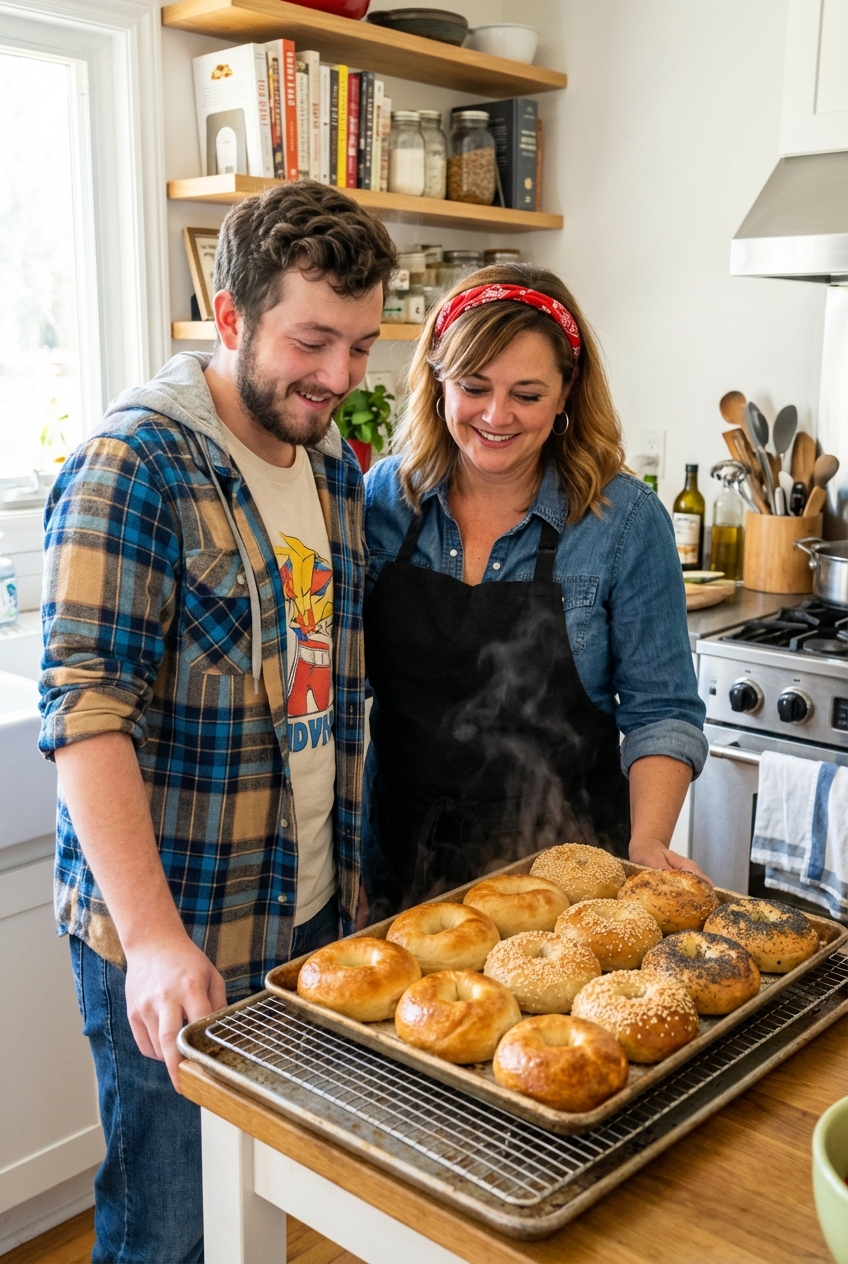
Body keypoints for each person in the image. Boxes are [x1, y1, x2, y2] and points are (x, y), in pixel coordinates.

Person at [38, 181, 396, 1264]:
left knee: (255, 1218)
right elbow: (85, 713)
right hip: (181, 928)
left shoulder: (331, 469)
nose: (337, 379)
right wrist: (149, 941)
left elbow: (330, 693)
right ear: (230, 317)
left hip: (305, 918)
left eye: (362, 345)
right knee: (169, 1229)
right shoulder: (132, 465)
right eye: (312, 340)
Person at [362, 263, 709, 917]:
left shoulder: (624, 521)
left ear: (566, 391)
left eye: (526, 393)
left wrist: (649, 840)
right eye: (474, 386)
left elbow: (661, 709)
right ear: (437, 379)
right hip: (397, 866)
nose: (496, 415)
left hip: (569, 882)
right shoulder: (381, 500)